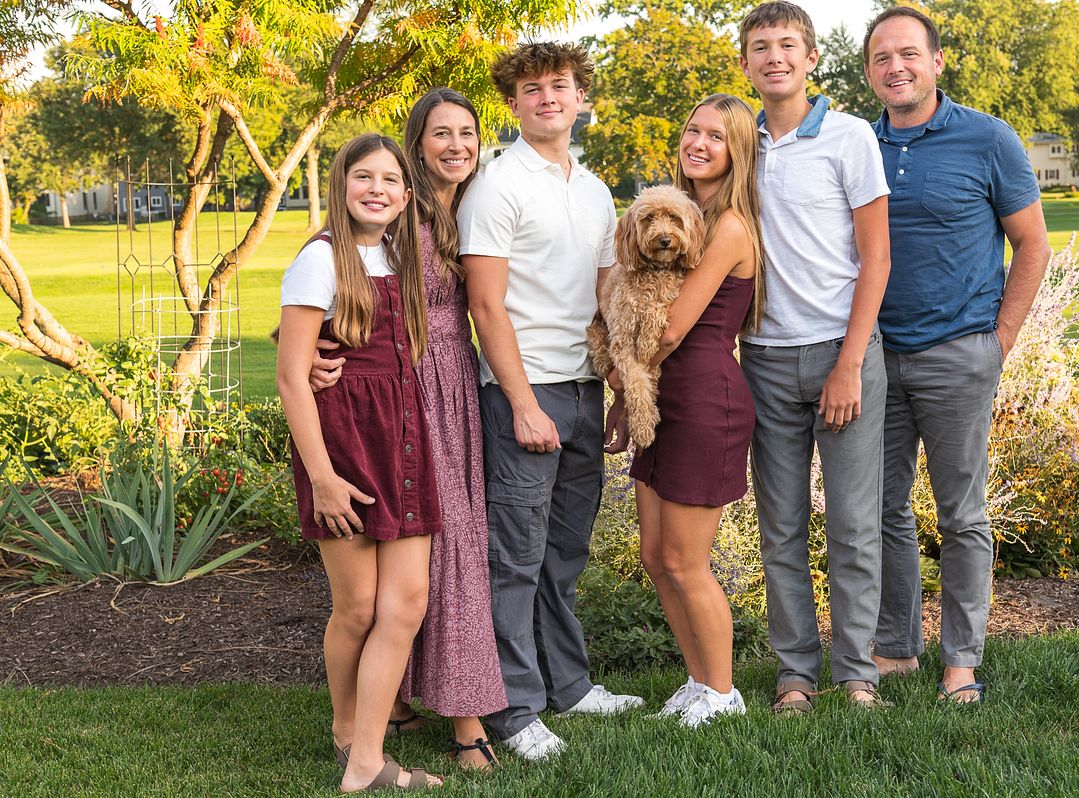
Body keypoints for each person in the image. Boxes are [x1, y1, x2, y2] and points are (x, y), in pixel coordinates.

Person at [310, 89, 509, 771]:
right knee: (440, 561)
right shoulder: (399, 209)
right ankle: (464, 723)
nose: (456, 146)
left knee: (445, 557)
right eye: (440, 134)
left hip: (459, 387)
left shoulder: (479, 201)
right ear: (416, 142)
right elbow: (328, 262)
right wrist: (302, 347)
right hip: (407, 393)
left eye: (467, 133)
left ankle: (395, 700)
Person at [457, 42, 643, 761]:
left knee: (564, 552)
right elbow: (485, 304)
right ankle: (513, 710)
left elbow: (607, 300)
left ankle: (568, 684)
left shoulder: (594, 190)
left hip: (583, 390)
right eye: (532, 90)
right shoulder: (498, 186)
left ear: (579, 98)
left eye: (559, 87)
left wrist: (622, 389)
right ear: (514, 104)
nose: (547, 99)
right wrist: (521, 401)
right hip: (521, 395)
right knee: (515, 558)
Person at [862, 7, 1050, 702]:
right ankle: (897, 649)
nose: (896, 67)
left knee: (962, 515)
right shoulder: (859, 144)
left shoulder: (987, 139)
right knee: (883, 511)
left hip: (959, 354)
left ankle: (961, 662)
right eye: (882, 57)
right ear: (870, 71)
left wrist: (998, 342)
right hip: (877, 358)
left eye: (909, 54)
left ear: (937, 61)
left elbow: (1033, 243)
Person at [735, 1, 892, 711]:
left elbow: (877, 255)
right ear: (745, 63)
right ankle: (796, 672)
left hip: (842, 353)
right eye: (761, 47)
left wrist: (850, 361)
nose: (775, 57)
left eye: (787, 45)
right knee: (782, 527)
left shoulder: (851, 137)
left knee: (856, 526)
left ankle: (856, 670)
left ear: (810, 58)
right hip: (764, 358)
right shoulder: (742, 144)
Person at [276, 133, 443, 792]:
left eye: (390, 180)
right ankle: (352, 738)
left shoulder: (397, 254)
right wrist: (321, 478)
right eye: (362, 177)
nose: (377, 189)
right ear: (342, 187)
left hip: (401, 438)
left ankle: (364, 756)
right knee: (358, 608)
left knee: (404, 605)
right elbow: (292, 376)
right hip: (344, 446)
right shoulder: (320, 259)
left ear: (406, 196)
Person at [606, 93, 765, 727]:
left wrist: (618, 358)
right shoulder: (688, 212)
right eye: (692, 130)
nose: (697, 143)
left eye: (715, 136)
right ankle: (697, 679)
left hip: (703, 401)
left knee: (685, 559)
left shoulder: (726, 226)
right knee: (654, 555)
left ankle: (724, 693)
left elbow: (669, 329)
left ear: (737, 151)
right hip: (660, 397)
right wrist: (627, 387)